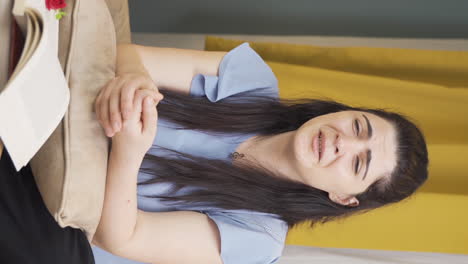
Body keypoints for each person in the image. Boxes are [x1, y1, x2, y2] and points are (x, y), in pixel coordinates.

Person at [91, 42, 429, 264]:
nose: (344, 142)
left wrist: (129, 150)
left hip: (56, 222)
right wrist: (135, 77)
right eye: (358, 126)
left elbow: (122, 238)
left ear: (343, 197)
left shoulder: (259, 238)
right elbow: (128, 54)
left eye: (358, 164)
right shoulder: (250, 79)